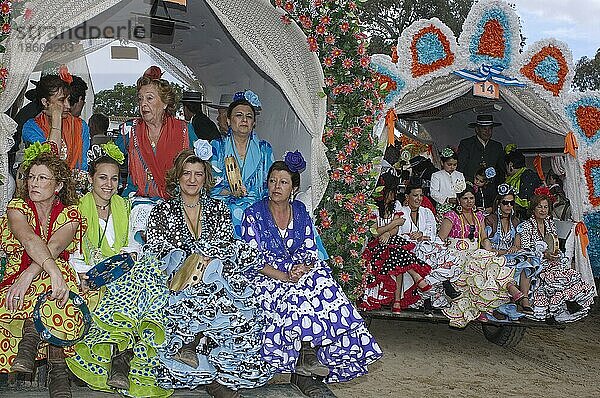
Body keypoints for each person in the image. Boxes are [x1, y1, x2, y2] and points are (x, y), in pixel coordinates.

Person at [242, 152, 382, 393]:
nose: (276, 186)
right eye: (273, 181)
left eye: (283, 182)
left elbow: (309, 249)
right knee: (294, 295)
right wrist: (284, 275)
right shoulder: (253, 214)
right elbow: (251, 259)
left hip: (297, 269)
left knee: (324, 286)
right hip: (265, 274)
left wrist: (301, 268)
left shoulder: (301, 211)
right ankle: (304, 353)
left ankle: (309, 352)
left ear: (294, 188)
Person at [146, 145, 273, 398]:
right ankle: (207, 376)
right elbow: (155, 246)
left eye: (198, 174)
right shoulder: (161, 210)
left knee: (227, 301)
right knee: (192, 296)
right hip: (177, 278)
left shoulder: (218, 209)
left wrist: (207, 256)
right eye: (186, 173)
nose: (192, 179)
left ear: (205, 178)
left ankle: (215, 373)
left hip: (213, 276)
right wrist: (187, 257)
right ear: (177, 177)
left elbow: (228, 243)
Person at [65, 142, 171, 397]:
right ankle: (119, 355)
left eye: (114, 179)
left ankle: (123, 357)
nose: (108, 184)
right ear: (90, 178)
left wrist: (124, 261)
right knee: (133, 287)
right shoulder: (77, 209)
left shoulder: (125, 206)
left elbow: (134, 244)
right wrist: (91, 273)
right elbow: (71, 252)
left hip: (123, 272)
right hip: (91, 274)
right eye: (102, 177)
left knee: (148, 273)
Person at [0, 143, 86, 397]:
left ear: (58, 186)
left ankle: (32, 338)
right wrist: (37, 274)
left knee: (55, 283)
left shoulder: (70, 214)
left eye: (42, 178)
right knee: (55, 285)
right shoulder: (17, 208)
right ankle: (56, 369)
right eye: (31, 177)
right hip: (20, 276)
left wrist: (34, 274)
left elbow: (55, 246)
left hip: (43, 274)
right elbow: (28, 239)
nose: (33, 183)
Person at [438, 185, 526, 328]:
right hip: (454, 253)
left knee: (489, 265)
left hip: (474, 251)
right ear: (459, 200)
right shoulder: (451, 216)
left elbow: (484, 238)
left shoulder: (479, 216)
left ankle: (506, 291)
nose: (469, 201)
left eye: (471, 198)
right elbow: (441, 239)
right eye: (465, 198)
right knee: (473, 273)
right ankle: (480, 309)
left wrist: (489, 250)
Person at [515, 188, 594, 322]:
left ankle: (561, 308)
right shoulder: (527, 225)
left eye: (545, 207)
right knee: (554, 277)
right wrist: (545, 255)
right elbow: (526, 248)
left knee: (567, 274)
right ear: (533, 209)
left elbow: (554, 243)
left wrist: (555, 253)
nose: (543, 210)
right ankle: (553, 309)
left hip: (551, 260)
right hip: (536, 261)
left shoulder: (550, 223)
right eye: (539, 207)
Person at [359, 172, 434, 313]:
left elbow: (396, 229)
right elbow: (374, 232)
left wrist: (389, 231)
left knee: (396, 253)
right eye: (390, 192)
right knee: (396, 252)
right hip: (376, 245)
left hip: (390, 242)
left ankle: (398, 301)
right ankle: (412, 281)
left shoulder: (396, 206)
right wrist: (391, 226)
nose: (393, 196)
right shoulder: (373, 209)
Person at [116, 66, 194, 198]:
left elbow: (203, 166)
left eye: (149, 98)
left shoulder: (184, 130)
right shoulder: (129, 130)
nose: (143, 104)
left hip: (176, 202)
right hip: (136, 201)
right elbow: (109, 162)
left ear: (165, 103)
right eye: (140, 99)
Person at [211, 91, 274, 237]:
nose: (244, 120)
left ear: (254, 123)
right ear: (228, 120)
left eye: (249, 116)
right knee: (234, 211)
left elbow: (271, 184)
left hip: (257, 205)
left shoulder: (264, 149)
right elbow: (210, 185)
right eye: (239, 115)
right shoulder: (217, 146)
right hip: (225, 204)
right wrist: (231, 192)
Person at [396, 181, 462, 309]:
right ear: (407, 197)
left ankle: (431, 295)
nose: (419, 199)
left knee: (435, 248)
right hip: (408, 249)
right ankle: (443, 287)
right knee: (428, 251)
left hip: (426, 246)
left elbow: (432, 234)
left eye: (421, 196)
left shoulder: (427, 212)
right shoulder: (401, 212)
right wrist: (411, 236)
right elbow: (397, 234)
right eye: (415, 195)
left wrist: (421, 235)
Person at [484, 184, 541, 318]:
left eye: (511, 203)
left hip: (510, 257)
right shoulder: (489, 220)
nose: (509, 206)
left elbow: (517, 246)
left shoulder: (515, 221)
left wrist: (515, 248)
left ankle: (524, 297)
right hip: (493, 256)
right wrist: (505, 252)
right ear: (498, 204)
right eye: (505, 202)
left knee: (528, 258)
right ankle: (517, 296)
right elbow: (486, 247)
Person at [22, 70, 91, 171]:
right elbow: (49, 162)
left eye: (69, 100)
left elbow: (83, 166)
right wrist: (56, 119)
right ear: (45, 102)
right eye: (62, 100)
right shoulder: (32, 127)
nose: (68, 106)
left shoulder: (81, 126)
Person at [457, 114, 505, 182]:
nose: (487, 132)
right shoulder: (466, 144)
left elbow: (501, 170)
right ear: (477, 130)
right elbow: (460, 168)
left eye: (490, 129)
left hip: (491, 188)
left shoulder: (497, 146)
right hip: (470, 186)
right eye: (484, 129)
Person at [504, 148, 541, 219]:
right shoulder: (515, 177)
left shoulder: (528, 176)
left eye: (506, 165)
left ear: (510, 164)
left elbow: (525, 202)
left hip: (526, 219)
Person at [430, 147, 466, 219]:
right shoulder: (437, 175)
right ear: (442, 163)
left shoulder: (460, 175)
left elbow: (464, 189)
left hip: (458, 206)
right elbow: (433, 193)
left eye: (455, 165)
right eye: (449, 164)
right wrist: (447, 199)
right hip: (443, 207)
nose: (452, 167)